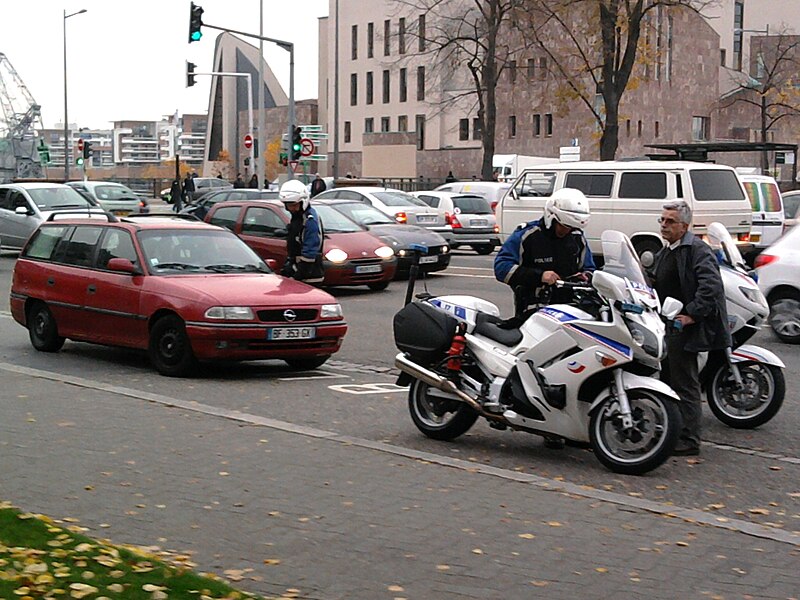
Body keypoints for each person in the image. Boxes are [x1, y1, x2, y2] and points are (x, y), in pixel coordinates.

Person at [648, 201, 731, 456]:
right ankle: (670, 430)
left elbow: (711, 287)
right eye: (662, 220)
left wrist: (690, 315)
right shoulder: (668, 250)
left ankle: (689, 439)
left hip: (686, 326)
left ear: (684, 225)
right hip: (667, 323)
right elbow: (654, 277)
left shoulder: (696, 249)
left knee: (684, 381)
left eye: (670, 221)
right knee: (667, 379)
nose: (664, 225)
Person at [494, 187, 595, 318]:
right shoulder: (528, 235)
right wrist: (540, 276)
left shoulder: (577, 238)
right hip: (533, 309)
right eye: (564, 226)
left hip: (569, 310)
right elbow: (502, 267)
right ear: (551, 218)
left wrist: (586, 276)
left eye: (572, 227)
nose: (567, 231)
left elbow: (590, 268)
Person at [279, 179, 324, 283]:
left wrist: (299, 274)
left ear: (303, 201)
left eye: (294, 205)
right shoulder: (297, 217)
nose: (291, 209)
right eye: (288, 206)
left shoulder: (309, 220)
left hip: (309, 275)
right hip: (299, 269)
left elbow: (310, 247)